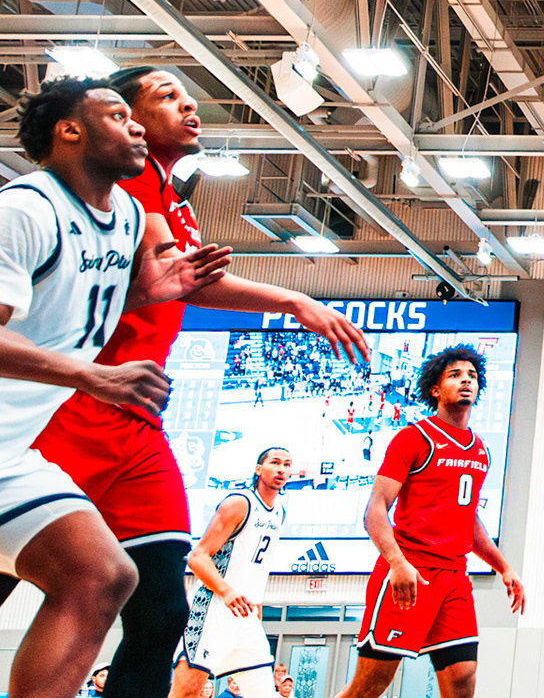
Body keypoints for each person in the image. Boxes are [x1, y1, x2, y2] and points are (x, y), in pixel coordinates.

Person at [1, 67, 366, 698]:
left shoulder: (149, 205)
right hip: (70, 408)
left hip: (134, 416)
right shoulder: (89, 192)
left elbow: (159, 282)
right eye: (163, 97)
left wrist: (159, 287)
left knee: (152, 603)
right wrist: (291, 300)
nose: (189, 106)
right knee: (71, 577)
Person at [0, 78, 231, 698]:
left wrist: (142, 294)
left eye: (135, 116)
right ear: (69, 131)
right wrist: (90, 375)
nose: (134, 127)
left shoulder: (126, 216)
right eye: (117, 114)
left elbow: (75, 307)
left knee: (105, 576)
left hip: (15, 450)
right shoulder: (24, 209)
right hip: (38, 429)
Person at [334, 346, 524, 698]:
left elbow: (469, 521)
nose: (466, 381)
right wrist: (397, 562)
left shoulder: (481, 449)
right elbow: (376, 509)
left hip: (454, 577)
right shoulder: (413, 438)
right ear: (435, 389)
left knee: (463, 677)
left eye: (472, 376)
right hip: (411, 570)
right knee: (371, 685)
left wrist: (504, 567)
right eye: (455, 375)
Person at [169, 447, 292, 698]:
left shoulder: (279, 512)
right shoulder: (239, 503)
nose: (281, 469)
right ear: (259, 469)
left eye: (287, 464)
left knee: (265, 694)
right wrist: (226, 591)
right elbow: (197, 557)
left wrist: (257, 608)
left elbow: (256, 568)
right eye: (275, 462)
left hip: (246, 617)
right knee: (185, 693)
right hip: (212, 608)